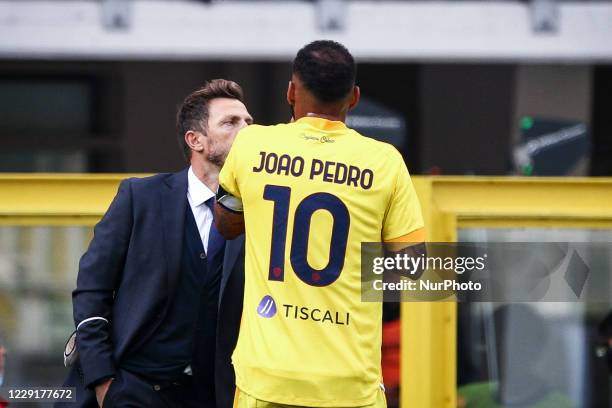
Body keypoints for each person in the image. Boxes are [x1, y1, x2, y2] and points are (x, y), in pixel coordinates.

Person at [215, 40, 425, 407]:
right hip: (348, 383)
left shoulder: (251, 145)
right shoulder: (385, 162)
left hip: (266, 378)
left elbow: (226, 225)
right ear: (354, 97)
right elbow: (414, 267)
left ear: (291, 92)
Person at [57, 79, 252, 408]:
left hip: (214, 395)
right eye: (231, 122)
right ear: (196, 140)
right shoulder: (140, 197)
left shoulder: (259, 212)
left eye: (249, 121)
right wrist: (103, 381)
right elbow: (92, 291)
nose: (247, 130)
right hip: (133, 389)